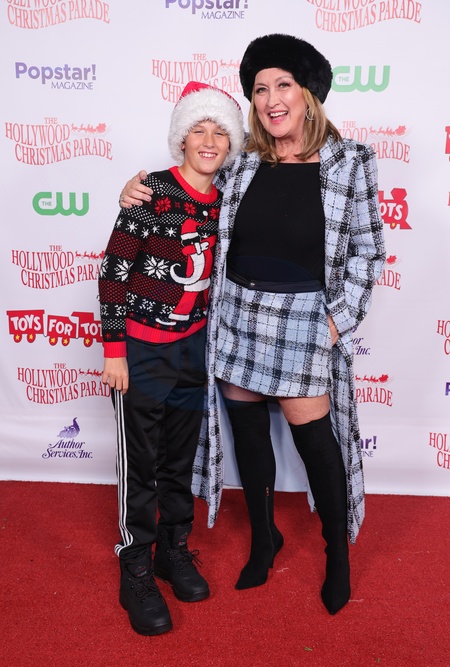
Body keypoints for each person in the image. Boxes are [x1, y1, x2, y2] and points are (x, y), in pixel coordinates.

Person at [119, 33, 386, 616]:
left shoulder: (351, 161)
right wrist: (138, 190)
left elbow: (368, 252)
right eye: (260, 89)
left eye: (282, 85)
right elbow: (189, 189)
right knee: (248, 438)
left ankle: (336, 553)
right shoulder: (241, 163)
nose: (270, 99)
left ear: (309, 93)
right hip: (237, 316)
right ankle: (264, 540)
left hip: (305, 321)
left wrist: (336, 323)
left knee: (317, 444)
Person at [99, 81, 244, 636]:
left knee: (180, 459)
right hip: (141, 351)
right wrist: (116, 351)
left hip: (193, 349)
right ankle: (135, 565)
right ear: (181, 138)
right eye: (197, 130)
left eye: (219, 133)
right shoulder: (152, 193)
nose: (208, 141)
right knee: (141, 464)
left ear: (231, 145)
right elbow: (114, 274)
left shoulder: (227, 201)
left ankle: (172, 549)